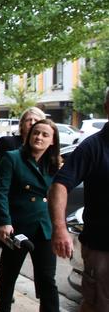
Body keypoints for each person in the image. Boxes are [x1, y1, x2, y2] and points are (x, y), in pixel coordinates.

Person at [49, 87, 109, 312]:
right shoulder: (93, 146)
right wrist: (60, 229)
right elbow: (59, 185)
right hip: (102, 249)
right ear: (106, 107)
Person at [0, 119, 61, 312]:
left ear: (52, 141)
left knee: (48, 279)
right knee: (8, 275)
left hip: (44, 228)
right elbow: (1, 191)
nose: (39, 137)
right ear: (29, 135)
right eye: (36, 133)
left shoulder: (55, 164)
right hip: (17, 228)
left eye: (45, 135)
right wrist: (5, 222)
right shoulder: (12, 158)